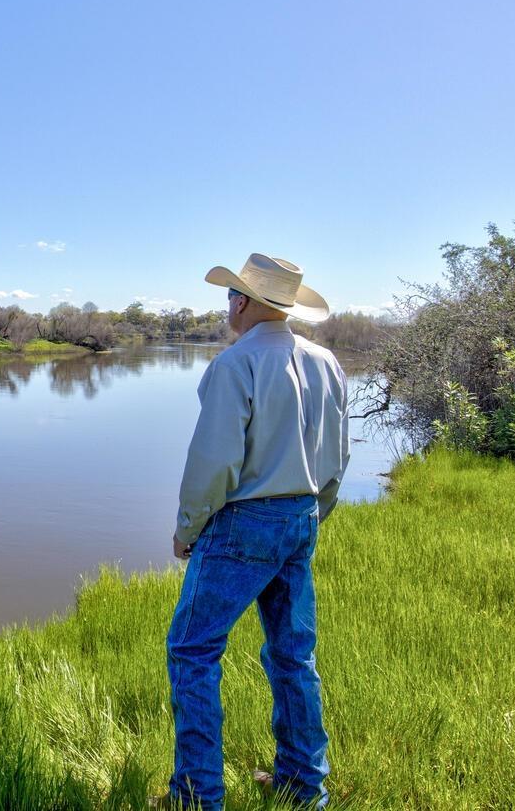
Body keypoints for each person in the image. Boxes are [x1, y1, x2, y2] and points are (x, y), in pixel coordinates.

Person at [159, 253, 350, 811]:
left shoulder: (234, 364)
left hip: (242, 523)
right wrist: (313, 514)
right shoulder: (327, 363)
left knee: (192, 650)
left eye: (230, 298)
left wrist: (186, 528)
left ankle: (196, 797)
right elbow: (336, 460)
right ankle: (302, 784)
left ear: (242, 301)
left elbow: (214, 463)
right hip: (303, 516)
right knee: (293, 655)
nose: (227, 308)